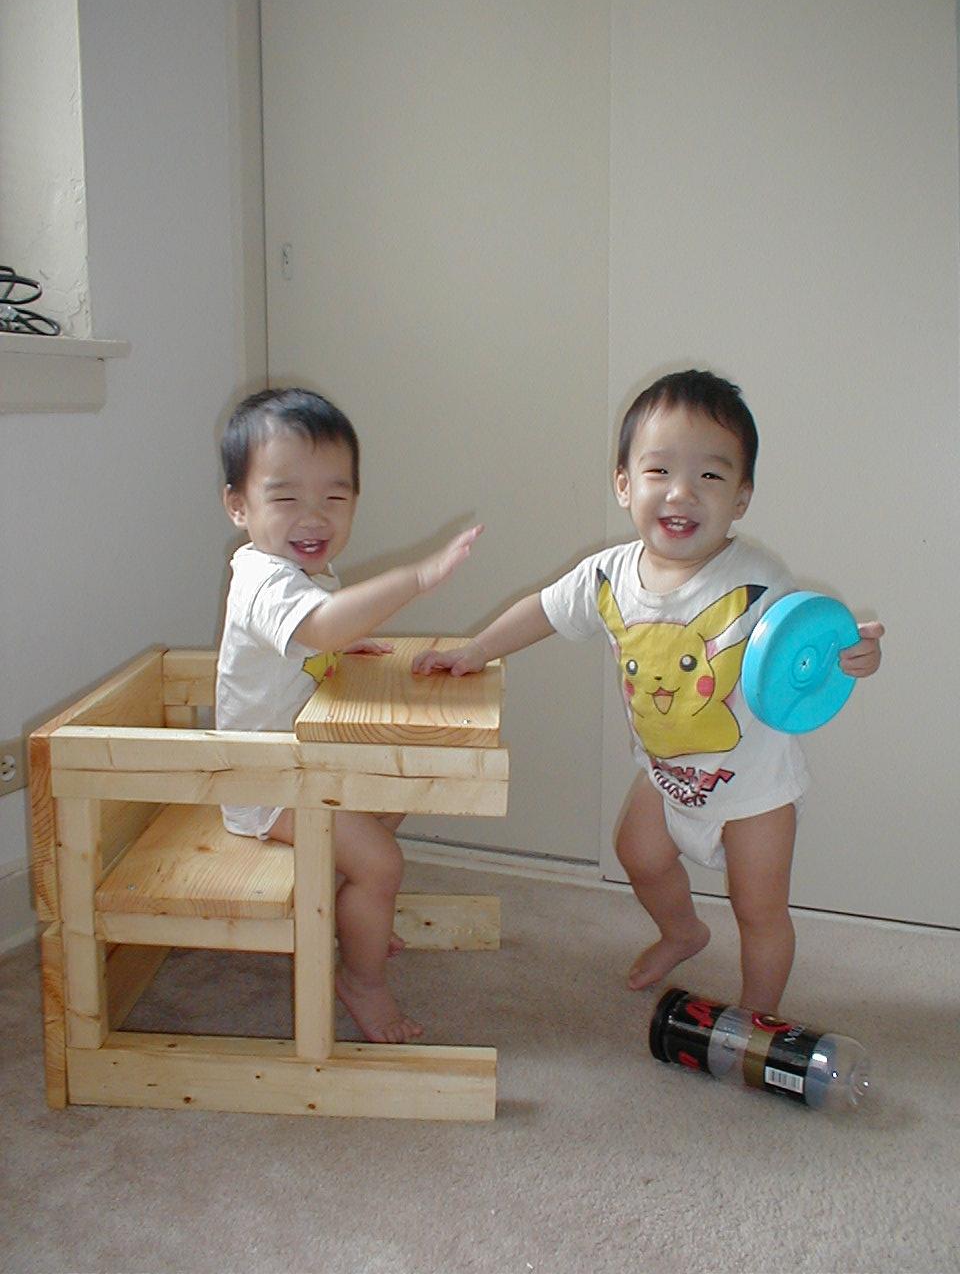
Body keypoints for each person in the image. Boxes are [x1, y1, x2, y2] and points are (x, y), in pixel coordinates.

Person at [413, 369, 882, 1015]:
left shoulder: (755, 578)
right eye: (659, 471)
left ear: (741, 498)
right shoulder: (608, 576)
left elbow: (810, 651)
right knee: (637, 854)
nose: (681, 492)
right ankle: (682, 932)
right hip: (666, 776)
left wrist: (854, 654)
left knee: (759, 910)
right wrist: (475, 650)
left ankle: (757, 1016)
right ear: (624, 484)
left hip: (753, 788)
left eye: (710, 475)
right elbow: (543, 610)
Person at [216, 387, 482, 1043]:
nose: (314, 517)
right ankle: (361, 980)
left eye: (334, 498)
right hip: (265, 786)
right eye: (286, 498)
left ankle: (357, 910)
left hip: (301, 763)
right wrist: (416, 578)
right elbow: (316, 622)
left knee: (394, 792)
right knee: (382, 861)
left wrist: (331, 645)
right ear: (238, 506)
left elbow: (311, 632)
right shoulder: (264, 579)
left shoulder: (302, 572)